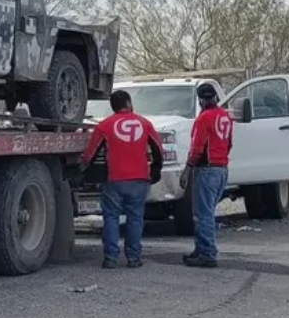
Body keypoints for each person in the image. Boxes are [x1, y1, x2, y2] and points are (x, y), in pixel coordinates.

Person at [81, 89, 164, 269]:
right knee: (135, 218)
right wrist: (156, 169)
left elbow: (91, 154)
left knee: (111, 217)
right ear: (128, 103)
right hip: (140, 178)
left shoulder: (104, 126)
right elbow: (158, 148)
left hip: (114, 179)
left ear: (113, 106)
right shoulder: (145, 124)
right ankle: (133, 258)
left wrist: (85, 169)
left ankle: (110, 257)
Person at [180, 82, 233, 268]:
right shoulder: (225, 116)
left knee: (203, 214)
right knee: (206, 212)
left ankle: (208, 253)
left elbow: (197, 147)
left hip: (207, 169)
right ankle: (201, 248)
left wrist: (187, 168)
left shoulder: (204, 119)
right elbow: (229, 143)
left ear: (200, 99)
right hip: (222, 169)